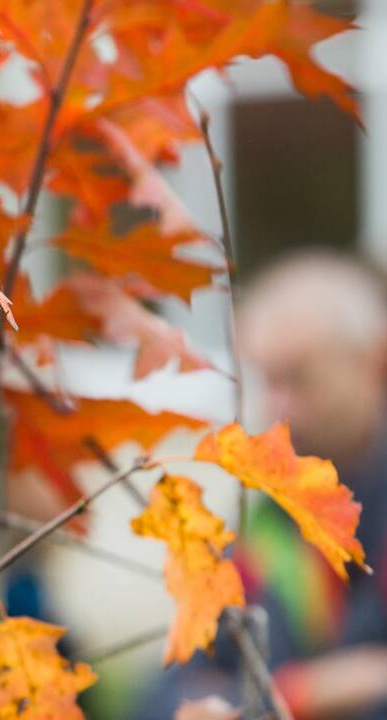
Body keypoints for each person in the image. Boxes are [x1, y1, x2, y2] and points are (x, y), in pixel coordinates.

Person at [140, 250, 387, 719]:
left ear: (374, 363)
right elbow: (172, 684)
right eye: (268, 381)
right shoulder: (273, 523)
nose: (278, 407)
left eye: (299, 379)